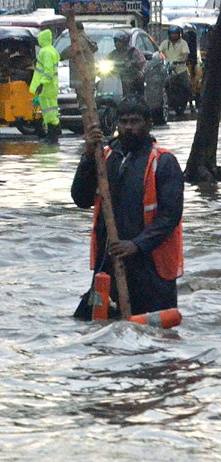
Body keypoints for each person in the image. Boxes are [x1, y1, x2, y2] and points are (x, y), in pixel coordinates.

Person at [70, 99, 183, 317]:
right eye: (123, 122)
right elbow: (81, 199)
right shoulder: (105, 158)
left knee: (153, 333)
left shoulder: (163, 161)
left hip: (150, 269)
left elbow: (170, 217)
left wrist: (136, 245)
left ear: (148, 124)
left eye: (135, 122)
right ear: (116, 125)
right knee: (91, 324)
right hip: (110, 264)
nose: (129, 127)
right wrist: (87, 157)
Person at [29, 28, 62, 141]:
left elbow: (48, 71)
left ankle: (52, 136)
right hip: (52, 86)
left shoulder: (45, 52)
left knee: (48, 112)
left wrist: (41, 84)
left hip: (46, 87)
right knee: (52, 110)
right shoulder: (53, 51)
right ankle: (55, 132)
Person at [160, 25, 192, 118]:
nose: (174, 36)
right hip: (168, 69)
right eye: (172, 34)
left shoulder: (183, 43)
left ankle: (189, 103)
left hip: (180, 69)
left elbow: (186, 53)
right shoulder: (165, 43)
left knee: (187, 87)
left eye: (176, 34)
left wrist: (183, 60)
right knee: (164, 86)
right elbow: (160, 52)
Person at [109, 30, 147, 102]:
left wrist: (141, 72)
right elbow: (105, 62)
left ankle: (139, 101)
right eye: (116, 41)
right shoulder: (112, 54)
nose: (117, 44)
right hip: (115, 80)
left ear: (125, 42)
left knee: (139, 95)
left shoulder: (134, 51)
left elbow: (143, 63)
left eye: (119, 41)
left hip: (132, 78)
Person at [68, 21, 98, 112]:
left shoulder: (79, 40)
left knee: (84, 104)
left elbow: (70, 51)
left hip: (81, 78)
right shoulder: (85, 38)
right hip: (84, 78)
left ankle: (88, 121)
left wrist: (58, 56)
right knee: (87, 101)